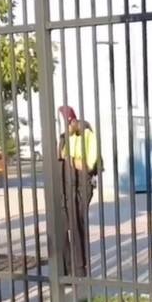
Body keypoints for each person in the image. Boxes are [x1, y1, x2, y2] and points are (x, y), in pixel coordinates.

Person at [56, 105, 100, 278]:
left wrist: (69, 158)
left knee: (76, 227)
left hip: (81, 188)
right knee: (61, 227)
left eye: (66, 123)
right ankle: (66, 270)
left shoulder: (87, 135)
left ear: (73, 121)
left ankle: (80, 270)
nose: (64, 128)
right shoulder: (64, 138)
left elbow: (88, 165)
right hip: (64, 187)